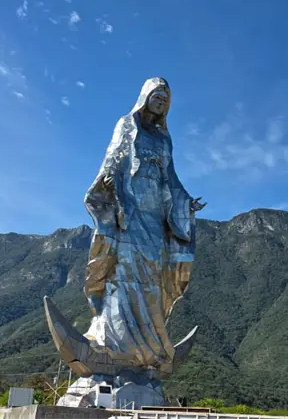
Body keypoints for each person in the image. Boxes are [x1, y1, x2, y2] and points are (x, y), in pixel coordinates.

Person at [82, 77, 206, 376]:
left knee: (153, 273)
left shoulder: (164, 139)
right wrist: (110, 180)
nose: (161, 100)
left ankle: (149, 347)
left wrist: (185, 202)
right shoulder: (128, 124)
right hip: (130, 209)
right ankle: (114, 340)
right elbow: (113, 157)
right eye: (157, 95)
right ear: (145, 97)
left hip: (157, 215)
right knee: (124, 270)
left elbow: (171, 178)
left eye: (166, 97)